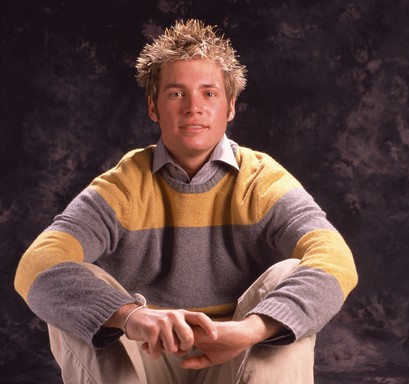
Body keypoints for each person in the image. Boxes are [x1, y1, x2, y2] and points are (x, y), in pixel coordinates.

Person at [14, 19, 358, 384]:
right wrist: (133, 316)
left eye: (209, 93)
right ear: (153, 107)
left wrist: (253, 329)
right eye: (177, 93)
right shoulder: (123, 185)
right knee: (75, 292)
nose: (194, 107)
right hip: (147, 357)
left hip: (236, 358)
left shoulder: (262, 180)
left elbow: (336, 259)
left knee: (290, 276)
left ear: (230, 108)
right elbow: (36, 264)